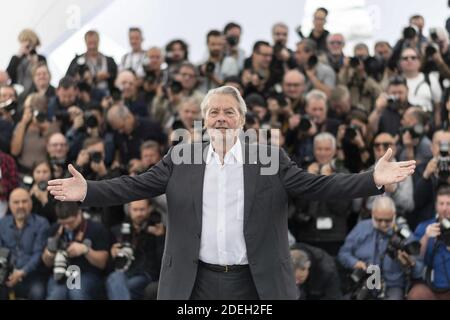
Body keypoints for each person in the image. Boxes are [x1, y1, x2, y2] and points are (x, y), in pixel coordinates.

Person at [48, 85, 416, 300]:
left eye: (228, 112)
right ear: (204, 120)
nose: (221, 119)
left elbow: (319, 184)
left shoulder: (268, 158)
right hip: (196, 282)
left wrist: (372, 178)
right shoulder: (182, 156)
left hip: (255, 281)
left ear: (242, 119)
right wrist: (88, 190)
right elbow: (132, 186)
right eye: (213, 113)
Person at [338, 196, 424, 300]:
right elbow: (343, 253)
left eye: (387, 220)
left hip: (392, 286)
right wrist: (355, 263)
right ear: (372, 214)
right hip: (365, 282)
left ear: (394, 215)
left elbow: (419, 270)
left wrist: (411, 263)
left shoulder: (404, 234)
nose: (383, 224)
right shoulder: (361, 228)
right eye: (379, 220)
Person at [0, 188, 49, 300]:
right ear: (9, 205)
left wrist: (22, 272)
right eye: (16, 202)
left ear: (31, 203)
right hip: (6, 274)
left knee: (38, 293)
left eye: (24, 201)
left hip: (32, 275)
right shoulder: (2, 223)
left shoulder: (41, 223)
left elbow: (38, 253)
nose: (20, 206)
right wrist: (8, 272)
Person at [408, 186, 450, 299]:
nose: (445, 208)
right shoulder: (424, 226)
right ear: (436, 206)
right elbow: (415, 257)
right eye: (441, 204)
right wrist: (426, 237)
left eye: (448, 204)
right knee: (416, 294)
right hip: (430, 286)